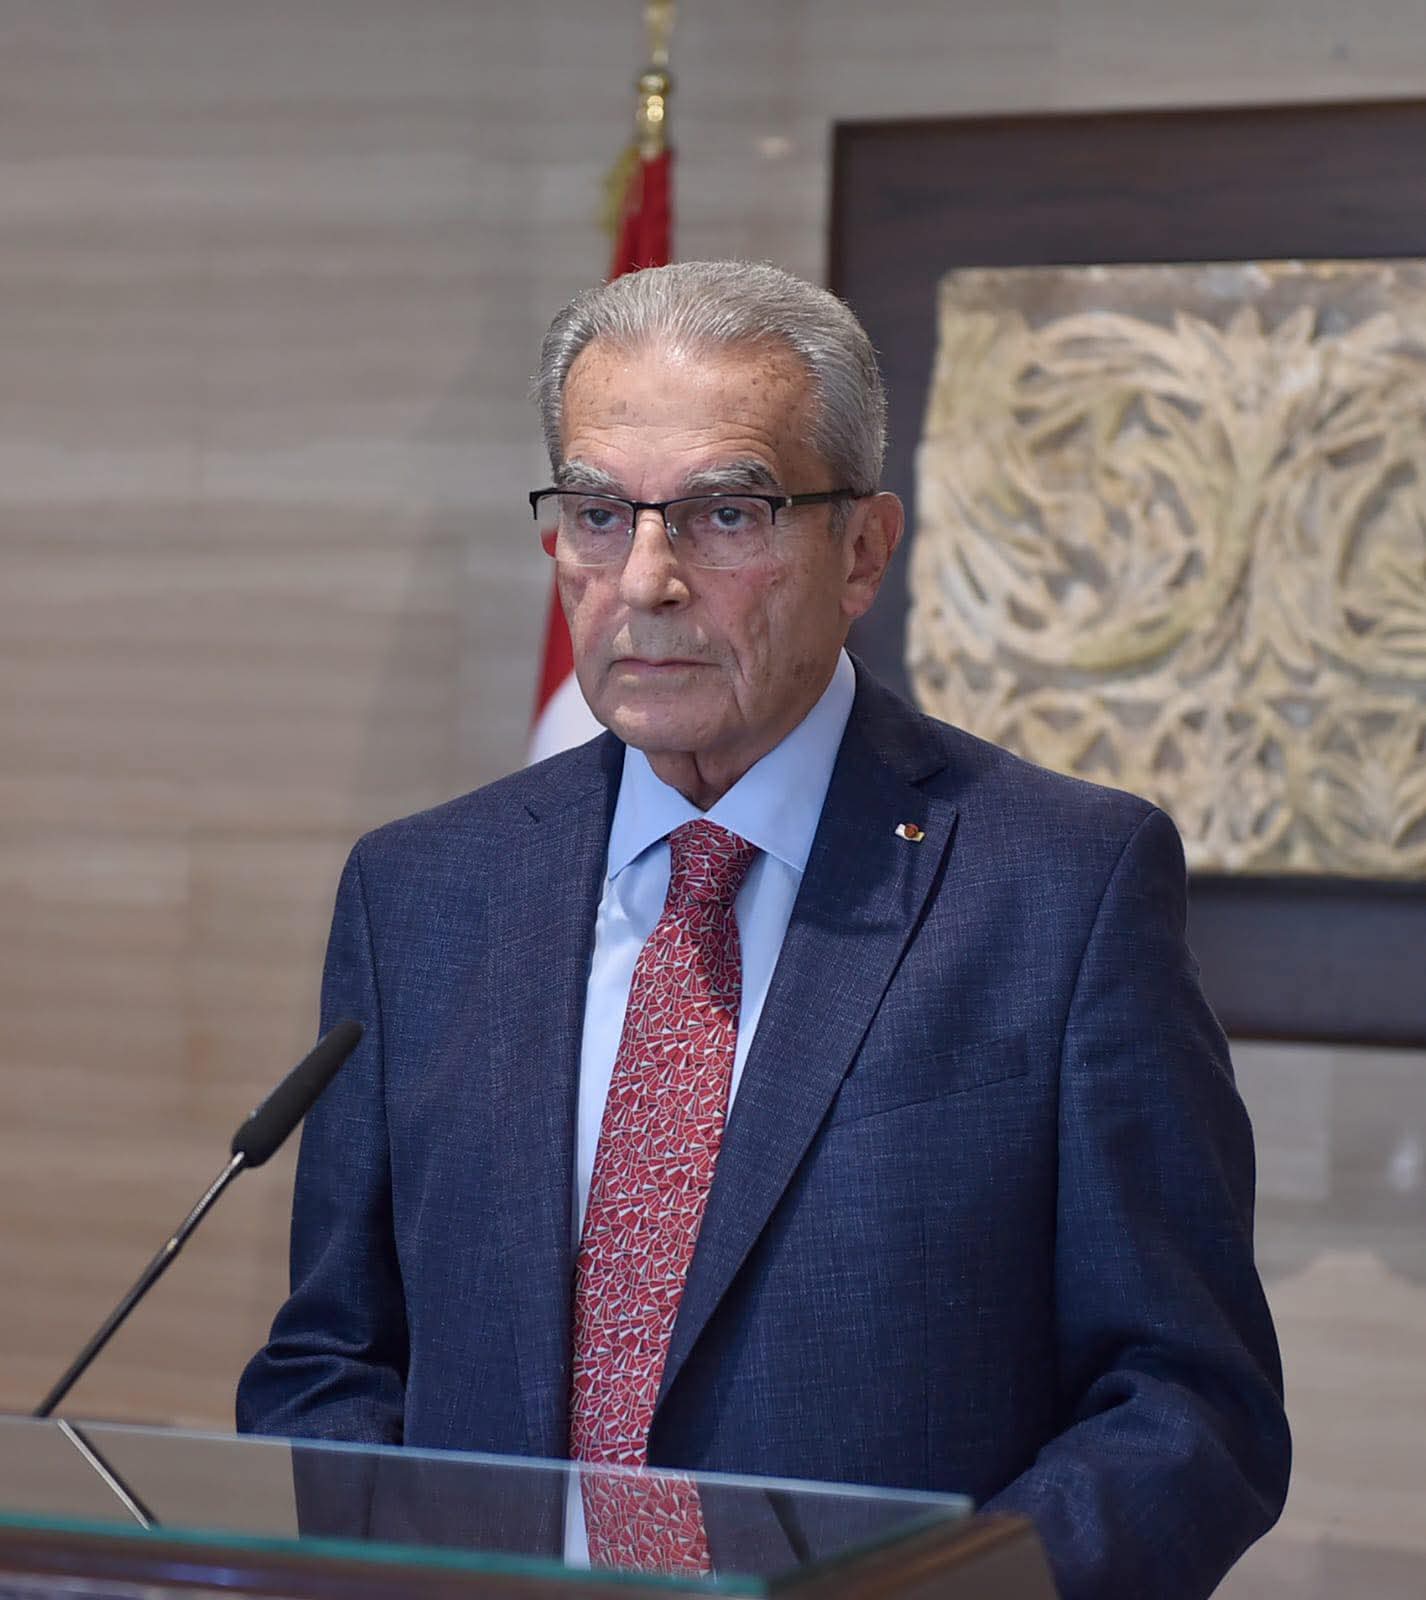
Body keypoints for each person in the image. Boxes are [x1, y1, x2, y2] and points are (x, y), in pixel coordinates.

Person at [238, 260, 1290, 1599]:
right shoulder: (424, 893)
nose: (648, 579)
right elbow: (331, 1360)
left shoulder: (1061, 885)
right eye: (599, 513)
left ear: (863, 550)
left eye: (726, 513)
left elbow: (1185, 1406)